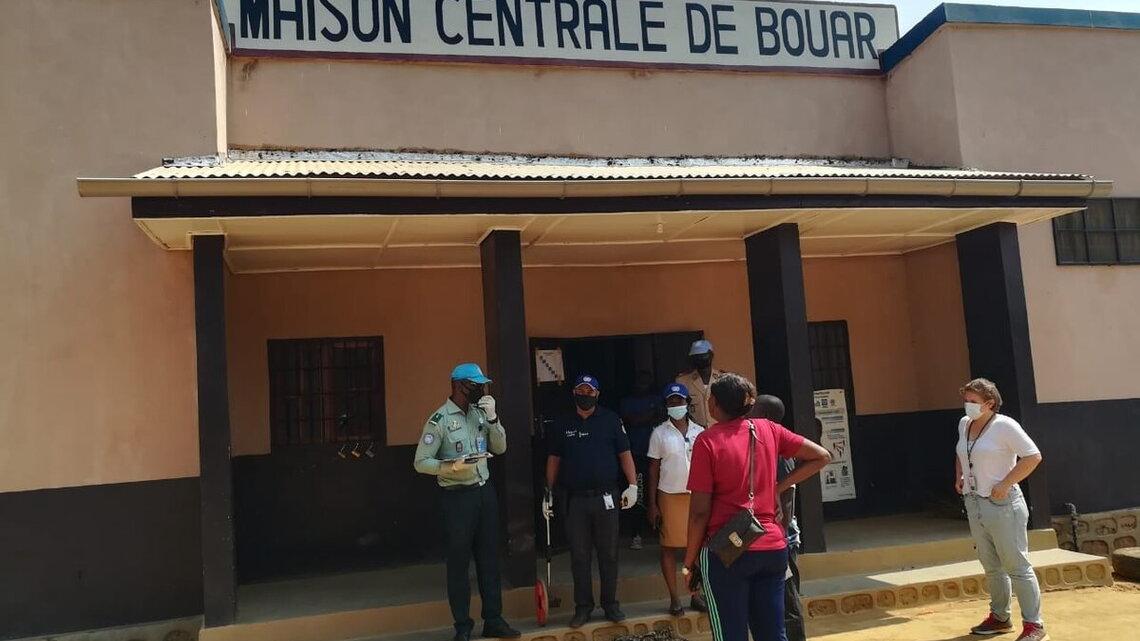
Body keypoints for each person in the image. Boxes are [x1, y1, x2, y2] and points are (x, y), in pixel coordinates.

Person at [681, 373, 831, 641]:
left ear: (714, 404)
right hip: (772, 546)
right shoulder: (769, 429)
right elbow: (821, 456)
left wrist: (689, 561)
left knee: (730, 634)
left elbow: (699, 513)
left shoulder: (707, 440)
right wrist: (778, 487)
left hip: (727, 551)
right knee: (772, 633)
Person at [413, 363, 520, 641]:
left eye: (481, 385)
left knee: (489, 560)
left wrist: (494, 418)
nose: (480, 390)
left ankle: (494, 619)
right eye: (475, 385)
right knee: (459, 564)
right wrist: (449, 467)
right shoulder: (439, 420)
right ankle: (462, 625)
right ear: (458, 385)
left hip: (484, 494)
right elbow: (421, 462)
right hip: (457, 498)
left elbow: (500, 448)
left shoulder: (480, 414)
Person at [544, 374, 639, 628]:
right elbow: (554, 459)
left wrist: (633, 485)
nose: (585, 395)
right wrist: (548, 491)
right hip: (575, 500)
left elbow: (625, 453)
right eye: (581, 390)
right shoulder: (563, 423)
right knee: (579, 556)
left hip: (606, 497)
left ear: (597, 394)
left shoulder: (610, 420)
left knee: (609, 554)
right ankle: (583, 607)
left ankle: (610, 605)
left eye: (589, 391)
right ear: (574, 393)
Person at [955, 378, 1047, 641]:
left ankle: (1034, 625)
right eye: (966, 400)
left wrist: (1006, 483)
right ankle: (1000, 617)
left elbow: (1033, 456)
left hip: (1003, 504)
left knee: (1017, 565)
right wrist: (960, 474)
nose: (968, 405)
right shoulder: (964, 424)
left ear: (990, 403)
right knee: (991, 565)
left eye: (973, 401)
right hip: (975, 502)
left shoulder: (1005, 426)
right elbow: (962, 452)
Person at [646, 383, 705, 616]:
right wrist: (652, 504)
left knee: (697, 547)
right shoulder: (659, 433)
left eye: (679, 400)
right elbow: (653, 469)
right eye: (671, 401)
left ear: (687, 403)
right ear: (666, 405)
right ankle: (674, 598)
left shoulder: (700, 431)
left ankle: (695, 594)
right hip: (669, 495)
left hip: (696, 495)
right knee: (669, 547)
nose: (675, 404)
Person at [754, 394, 805, 641]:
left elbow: (787, 498)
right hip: (772, 539)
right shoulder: (764, 442)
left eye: (753, 410)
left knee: (788, 600)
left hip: (782, 539)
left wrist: (781, 538)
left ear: (764, 416)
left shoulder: (779, 450)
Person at [620, 370, 662, 550]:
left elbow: (660, 415)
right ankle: (636, 533)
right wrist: (649, 414)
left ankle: (659, 530)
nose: (642, 385)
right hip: (636, 455)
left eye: (646, 381)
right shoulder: (627, 402)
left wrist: (649, 415)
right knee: (636, 495)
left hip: (658, 455)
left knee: (659, 493)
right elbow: (632, 420)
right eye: (640, 381)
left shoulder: (657, 399)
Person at [676, 339, 722, 429]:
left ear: (711, 355)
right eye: (697, 356)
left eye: (703, 355)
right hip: (695, 431)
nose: (701, 359)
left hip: (719, 430)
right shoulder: (683, 381)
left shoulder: (722, 379)